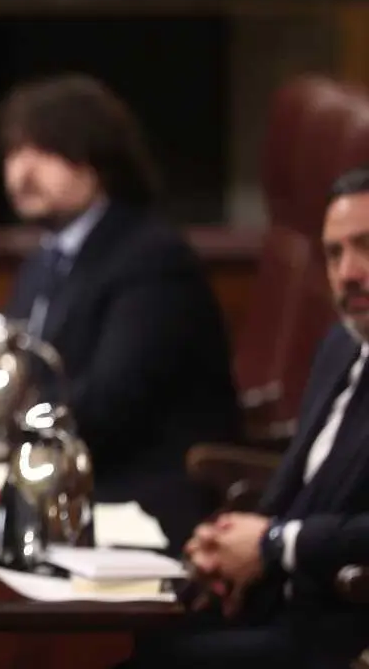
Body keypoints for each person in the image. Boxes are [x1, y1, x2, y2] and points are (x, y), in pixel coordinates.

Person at [0, 74, 239, 551]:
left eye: (44, 150)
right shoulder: (47, 256)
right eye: (14, 152)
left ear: (98, 160)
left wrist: (0, 433)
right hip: (64, 480)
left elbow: (111, 401)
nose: (21, 170)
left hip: (138, 494)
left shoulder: (151, 257)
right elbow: (10, 363)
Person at [123, 165, 369, 669]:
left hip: (339, 626)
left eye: (367, 246)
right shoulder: (342, 344)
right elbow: (300, 479)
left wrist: (275, 545)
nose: (348, 272)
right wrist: (230, 546)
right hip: (273, 600)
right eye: (334, 253)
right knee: (119, 634)